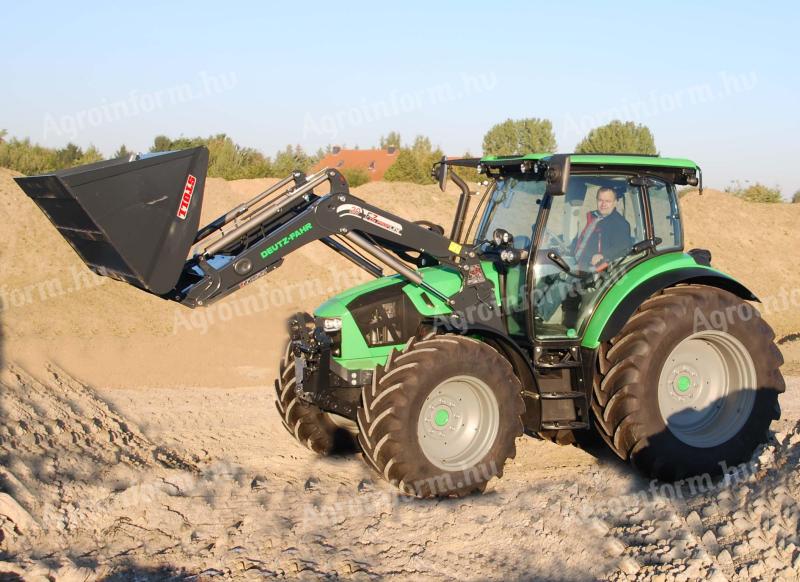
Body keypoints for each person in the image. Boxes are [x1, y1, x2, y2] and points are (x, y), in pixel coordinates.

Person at [572, 187, 632, 271]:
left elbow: (624, 247)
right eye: (600, 200)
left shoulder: (619, 224)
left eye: (607, 201)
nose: (603, 204)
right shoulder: (594, 218)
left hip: (595, 269)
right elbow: (584, 240)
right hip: (579, 263)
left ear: (615, 203)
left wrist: (604, 255)